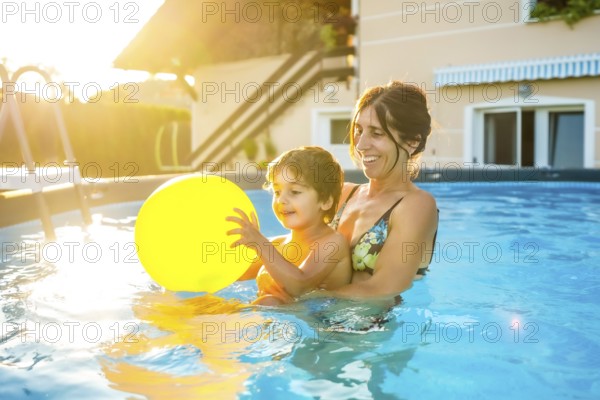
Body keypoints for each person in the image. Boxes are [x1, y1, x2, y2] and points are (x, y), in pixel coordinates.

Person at [328, 80, 438, 300]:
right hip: (318, 317)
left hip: (374, 330)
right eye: (359, 130)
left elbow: (381, 290)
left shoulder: (416, 206)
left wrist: (303, 298)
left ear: (412, 142)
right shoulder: (343, 195)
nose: (360, 145)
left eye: (376, 133)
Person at [226, 146, 351, 306]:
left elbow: (300, 285)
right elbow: (235, 273)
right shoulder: (277, 245)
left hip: (318, 324)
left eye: (295, 192)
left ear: (325, 201)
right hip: (273, 319)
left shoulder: (333, 243)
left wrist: (259, 243)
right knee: (204, 305)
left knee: (270, 302)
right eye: (277, 192)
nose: (281, 200)